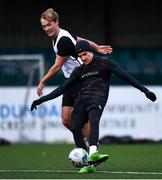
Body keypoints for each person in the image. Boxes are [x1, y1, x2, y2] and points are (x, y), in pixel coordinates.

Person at [31, 40, 157, 173]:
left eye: (85, 54)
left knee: (93, 119)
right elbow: (62, 88)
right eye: (80, 57)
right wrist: (41, 100)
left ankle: (93, 152)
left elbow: (126, 77)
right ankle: (88, 165)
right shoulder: (79, 70)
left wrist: (145, 91)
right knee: (75, 126)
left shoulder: (105, 63)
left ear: (90, 51)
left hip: (98, 97)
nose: (83, 58)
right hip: (82, 99)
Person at [37, 8, 112, 140]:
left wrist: (42, 81)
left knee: (82, 120)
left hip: (81, 80)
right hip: (71, 81)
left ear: (56, 22)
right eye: (44, 26)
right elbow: (82, 40)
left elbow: (57, 66)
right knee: (66, 120)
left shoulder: (63, 40)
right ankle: (85, 143)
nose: (47, 28)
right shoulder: (61, 35)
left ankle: (92, 148)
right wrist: (97, 47)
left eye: (49, 24)